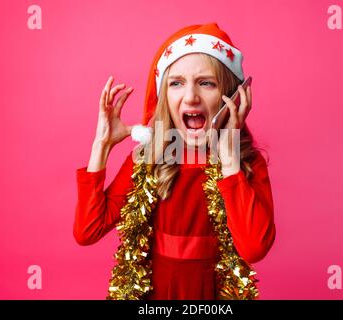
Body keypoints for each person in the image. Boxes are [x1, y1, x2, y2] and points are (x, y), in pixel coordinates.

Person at [74, 23, 276, 300]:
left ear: (230, 96)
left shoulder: (246, 164)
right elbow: (88, 230)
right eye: (176, 83)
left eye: (206, 83)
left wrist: (229, 161)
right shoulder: (149, 159)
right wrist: (102, 145)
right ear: (164, 97)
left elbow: (254, 248)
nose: (191, 97)